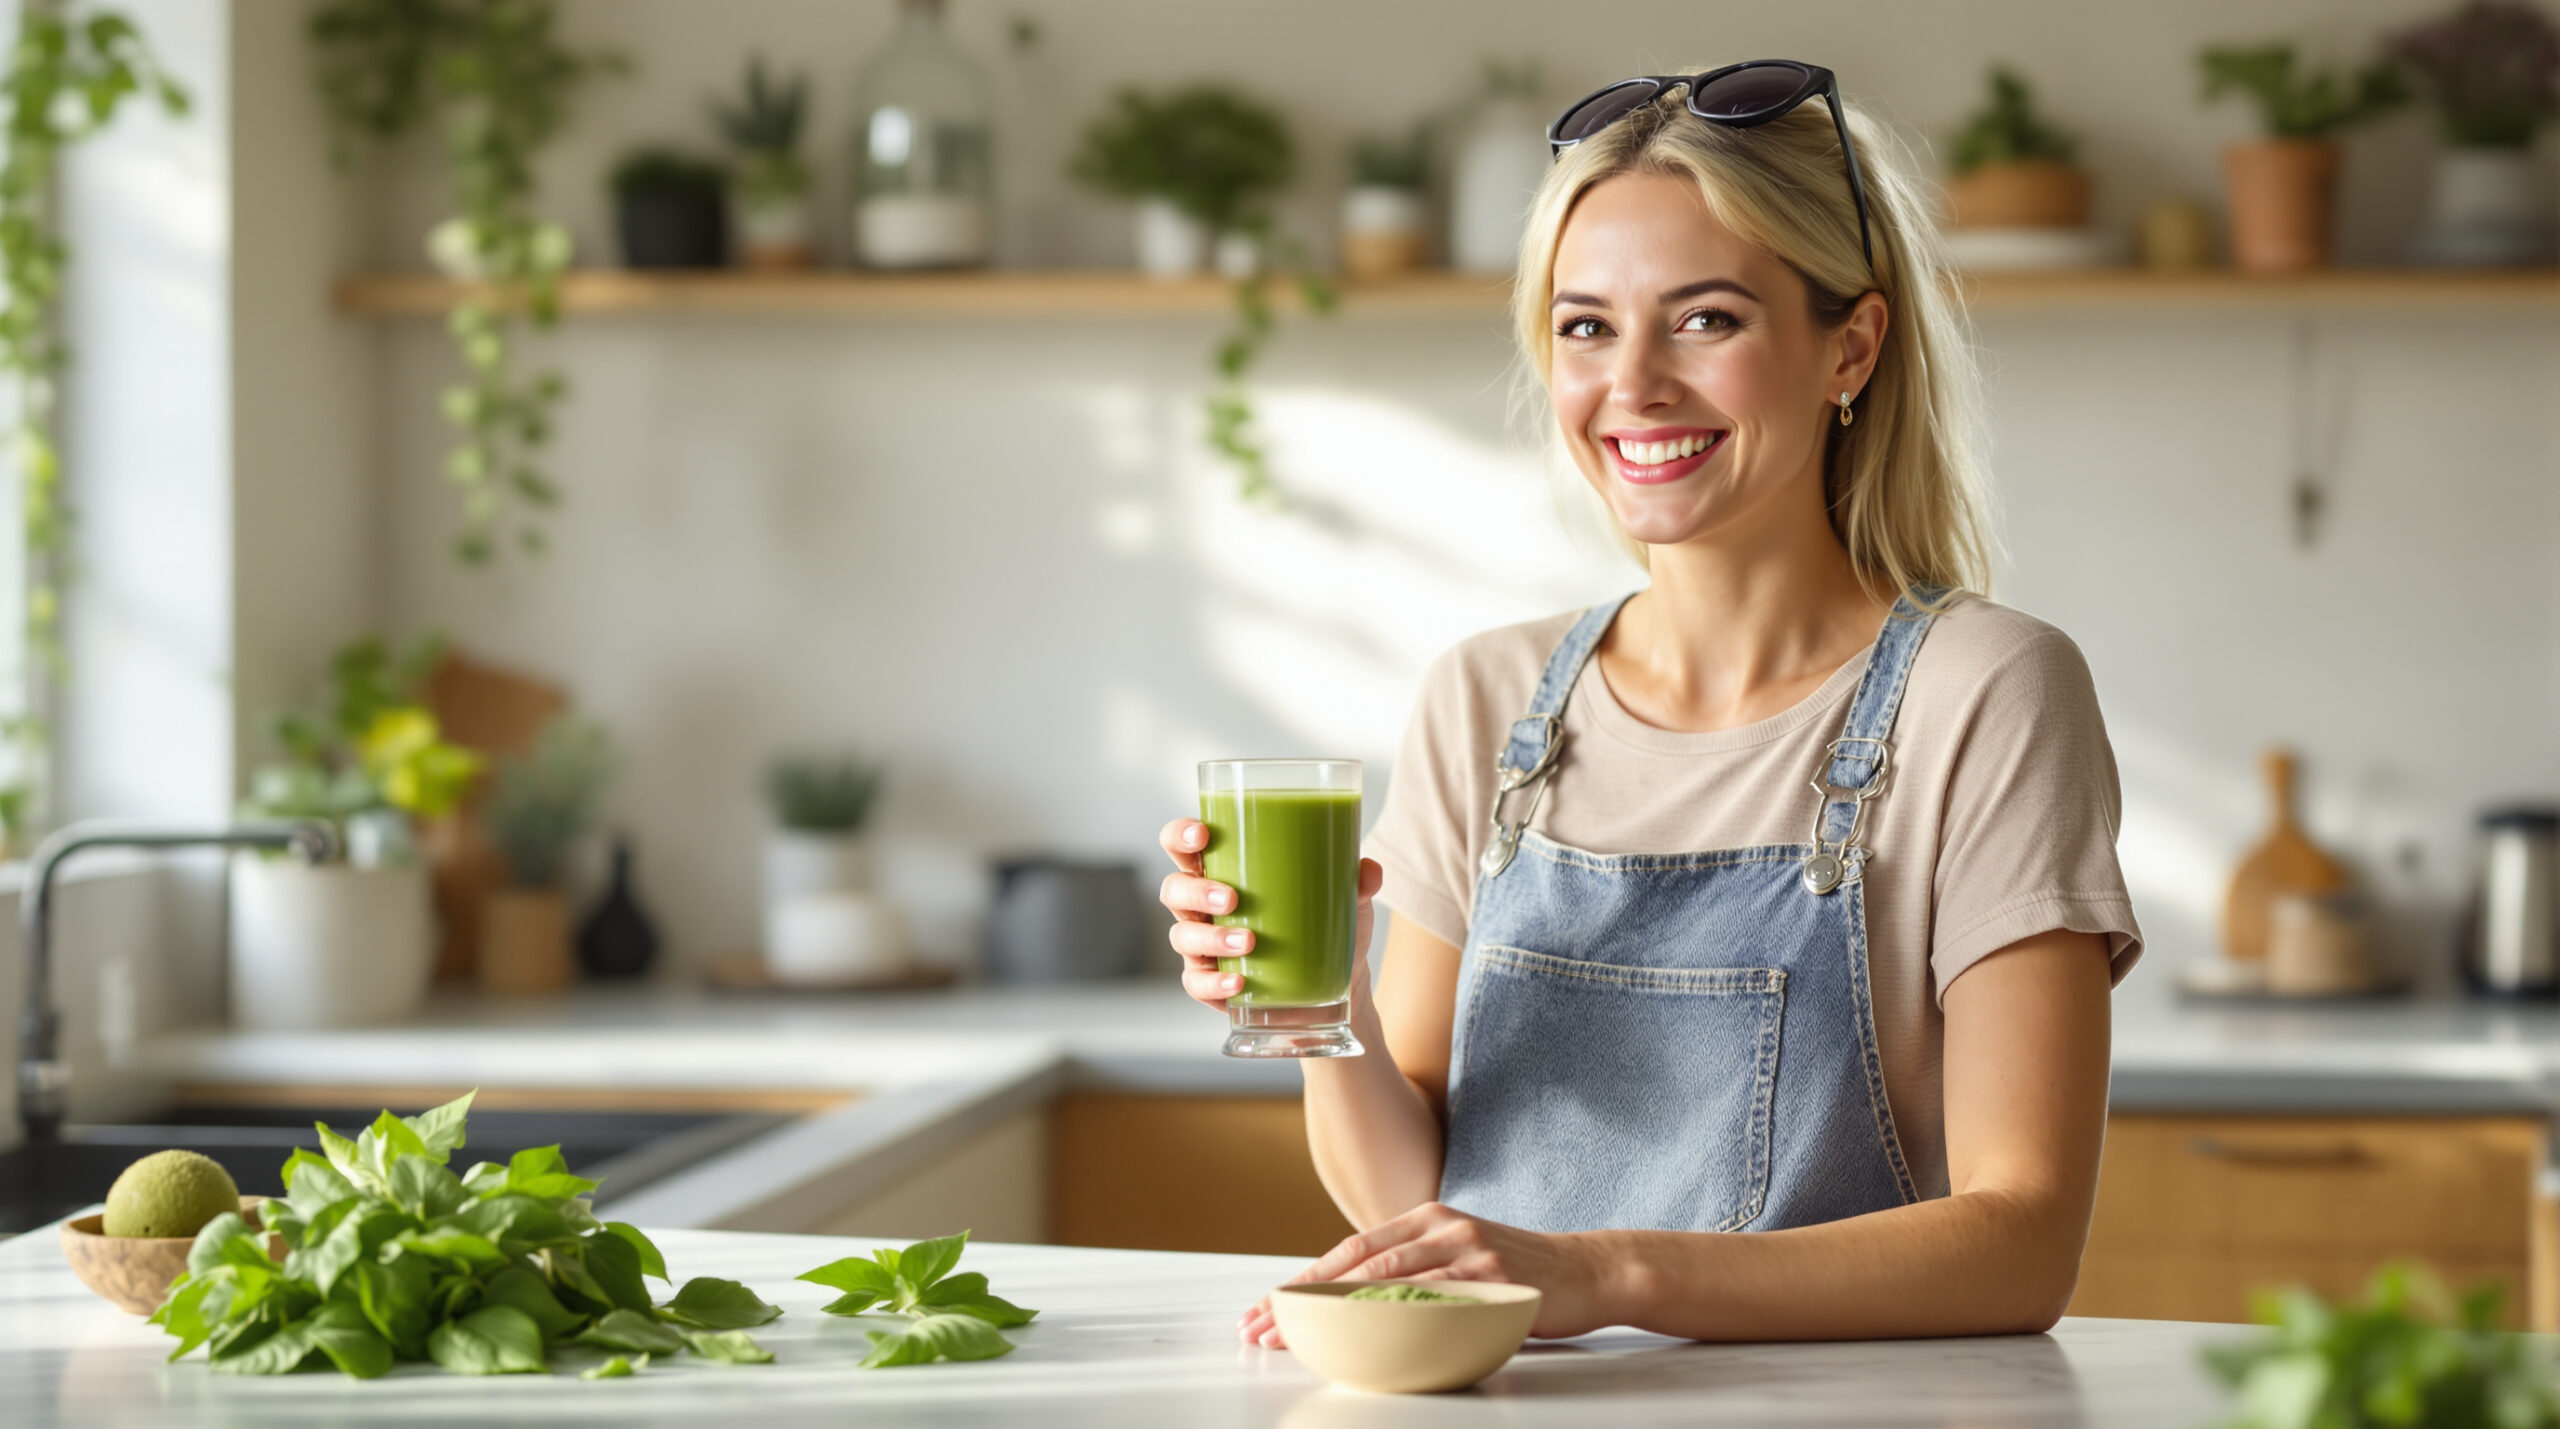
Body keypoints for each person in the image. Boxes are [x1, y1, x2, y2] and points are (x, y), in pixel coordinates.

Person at [1157, 61, 2142, 1346]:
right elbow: (1412, 1194)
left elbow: (2020, 1243)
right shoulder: (1487, 699)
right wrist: (1321, 1008)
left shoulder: (1986, 692)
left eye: (1705, 319)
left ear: (1850, 343)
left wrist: (1604, 1274)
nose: (1632, 385)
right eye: (1584, 326)